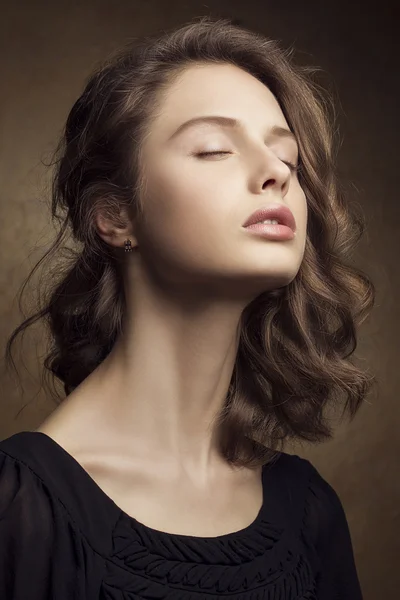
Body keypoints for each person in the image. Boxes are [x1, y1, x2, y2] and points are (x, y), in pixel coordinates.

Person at [0, 15, 375, 600]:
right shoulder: (17, 510)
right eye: (213, 149)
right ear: (114, 215)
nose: (276, 172)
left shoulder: (308, 510)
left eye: (290, 159)